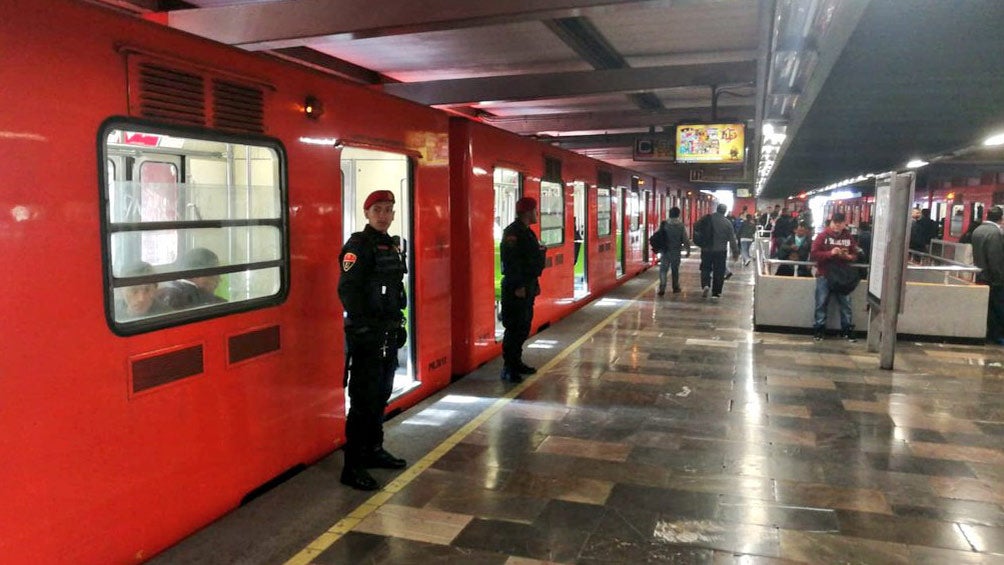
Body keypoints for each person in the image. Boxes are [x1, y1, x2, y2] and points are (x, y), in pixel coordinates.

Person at [338, 189, 409, 491]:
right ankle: (352, 466)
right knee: (363, 400)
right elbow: (348, 292)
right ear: (367, 214)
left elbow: (394, 290)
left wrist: (397, 324)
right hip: (368, 337)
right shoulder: (358, 246)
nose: (383, 215)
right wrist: (366, 329)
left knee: (381, 395)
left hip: (388, 333)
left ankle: (374, 450)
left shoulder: (390, 246)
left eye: (388, 209)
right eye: (377, 209)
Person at [499, 197, 546, 383]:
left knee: (523, 327)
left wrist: (534, 285)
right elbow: (510, 262)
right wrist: (518, 286)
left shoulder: (528, 233)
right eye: (535, 211)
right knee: (514, 328)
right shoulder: (512, 233)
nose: (537, 214)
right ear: (527, 212)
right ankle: (508, 368)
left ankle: (516, 362)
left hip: (528, 285)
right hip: (515, 288)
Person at [810, 212, 858, 342]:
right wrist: (830, 253)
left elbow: (855, 254)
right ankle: (819, 329)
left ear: (844, 224)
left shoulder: (849, 237)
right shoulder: (822, 236)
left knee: (846, 304)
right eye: (835, 222)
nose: (837, 225)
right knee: (821, 302)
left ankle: (847, 329)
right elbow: (814, 254)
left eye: (840, 223)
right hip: (824, 274)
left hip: (842, 276)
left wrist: (848, 257)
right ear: (830, 222)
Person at [970, 206, 1004, 344]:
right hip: (993, 278)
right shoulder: (995, 233)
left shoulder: (978, 230)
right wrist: (999, 278)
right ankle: (997, 336)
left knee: (989, 308)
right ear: (1001, 218)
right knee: (998, 308)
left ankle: (991, 333)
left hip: (981, 275)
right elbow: (995, 258)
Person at [158, 247, 227, 309]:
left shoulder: (167, 290)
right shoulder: (191, 297)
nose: (219, 280)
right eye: (215, 275)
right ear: (195, 274)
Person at [699, 203, 739, 299]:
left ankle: (706, 285)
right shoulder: (727, 223)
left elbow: (698, 230)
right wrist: (735, 252)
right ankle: (716, 293)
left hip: (706, 249)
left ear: (717, 209)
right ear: (725, 211)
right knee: (719, 271)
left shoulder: (707, 219)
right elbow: (732, 239)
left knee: (705, 268)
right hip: (720, 251)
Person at [656, 206, 691, 296]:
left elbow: (658, 236)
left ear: (669, 214)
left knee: (663, 270)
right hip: (676, 251)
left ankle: (662, 288)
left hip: (665, 251)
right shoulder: (680, 225)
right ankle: (675, 287)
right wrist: (688, 250)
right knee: (675, 270)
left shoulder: (664, 224)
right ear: (678, 215)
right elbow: (685, 239)